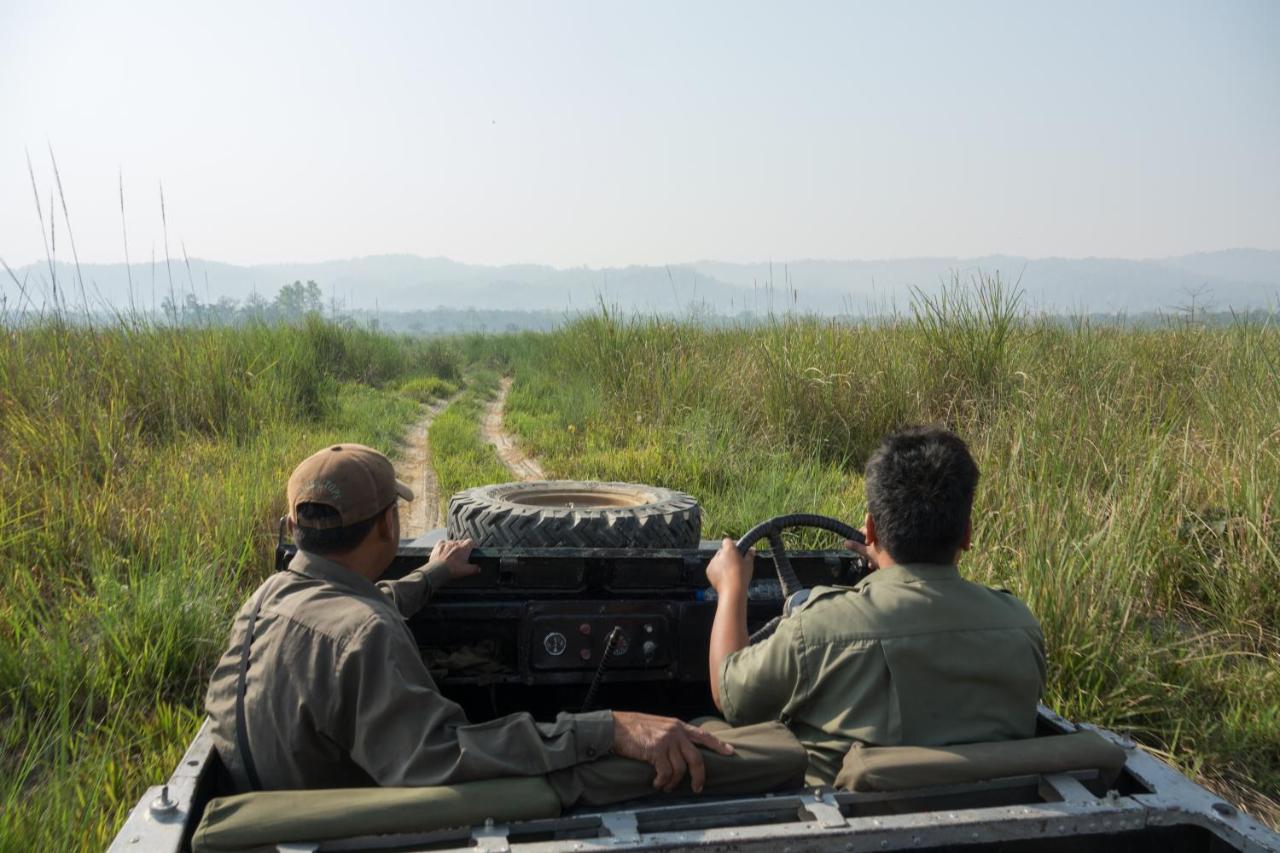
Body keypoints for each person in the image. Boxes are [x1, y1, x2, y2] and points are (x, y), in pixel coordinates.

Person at [205, 442, 732, 795]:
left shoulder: (265, 600)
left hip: (289, 804)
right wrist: (607, 727)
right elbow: (449, 757)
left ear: (293, 525)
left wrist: (431, 575)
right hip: (356, 823)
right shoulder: (367, 636)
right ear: (389, 525)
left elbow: (361, 603)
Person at [703, 426, 1046, 786]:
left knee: (703, 726)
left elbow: (729, 696)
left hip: (840, 810)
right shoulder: (1021, 626)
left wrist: (731, 587)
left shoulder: (817, 629)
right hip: (995, 802)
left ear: (869, 529)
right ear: (967, 534)